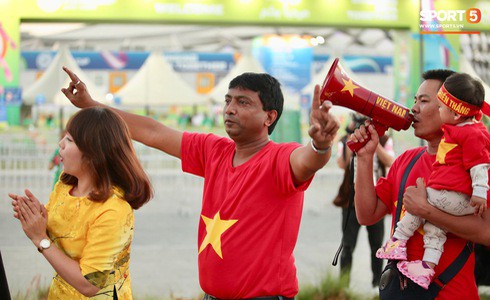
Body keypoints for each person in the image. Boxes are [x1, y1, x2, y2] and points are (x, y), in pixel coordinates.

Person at [61, 67, 340, 299]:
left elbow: (307, 161)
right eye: (228, 100)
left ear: (269, 117)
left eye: (243, 102)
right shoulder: (213, 150)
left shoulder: (279, 157)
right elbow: (154, 132)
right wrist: (92, 106)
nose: (230, 109)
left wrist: (320, 145)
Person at [350, 69, 490, 299]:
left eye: (424, 101)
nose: (413, 108)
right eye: (415, 100)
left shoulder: (478, 167)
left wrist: (426, 210)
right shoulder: (406, 160)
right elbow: (367, 215)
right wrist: (365, 158)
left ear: (453, 108)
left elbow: (486, 232)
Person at [11, 107, 153, 299]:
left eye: (69, 140)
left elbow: (89, 284)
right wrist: (38, 217)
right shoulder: (65, 185)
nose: (60, 144)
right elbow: (57, 231)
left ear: (93, 153)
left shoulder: (114, 210)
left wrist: (40, 239)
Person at [334, 113, 394, 287]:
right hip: (350, 200)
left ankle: (377, 284)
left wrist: (374, 144)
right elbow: (342, 163)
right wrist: (351, 140)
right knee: (347, 245)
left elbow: (390, 160)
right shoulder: (346, 139)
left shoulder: (384, 139)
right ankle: (343, 285)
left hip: (377, 198)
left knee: (377, 246)